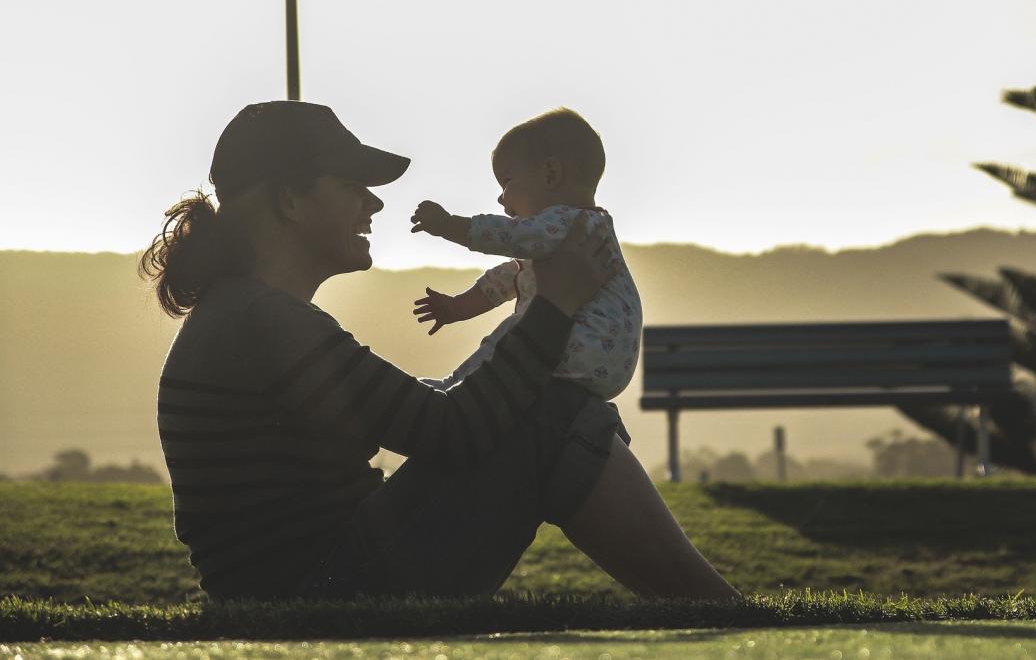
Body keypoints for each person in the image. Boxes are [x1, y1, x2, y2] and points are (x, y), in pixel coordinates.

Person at [140, 100, 739, 601]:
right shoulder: (260, 322)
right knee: (554, 412)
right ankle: (724, 614)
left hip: (315, 582)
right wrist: (556, 305)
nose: (373, 205)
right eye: (353, 187)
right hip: (325, 592)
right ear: (288, 201)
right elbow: (452, 431)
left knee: (550, 407)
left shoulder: (247, 316)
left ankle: (720, 611)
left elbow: (420, 415)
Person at [409, 108, 641, 402]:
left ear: (550, 174)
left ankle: (457, 389)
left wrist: (449, 225)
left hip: (583, 346)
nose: (501, 198)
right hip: (605, 363)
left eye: (506, 183)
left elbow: (510, 236)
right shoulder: (580, 233)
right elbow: (509, 278)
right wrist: (457, 308)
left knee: (514, 335)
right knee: (521, 333)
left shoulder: (568, 222)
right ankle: (456, 387)